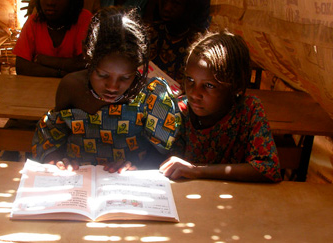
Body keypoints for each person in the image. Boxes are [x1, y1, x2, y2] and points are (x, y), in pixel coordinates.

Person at [32, 6, 181, 172]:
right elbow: (54, 137)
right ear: (88, 56)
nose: (112, 87)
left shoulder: (153, 95)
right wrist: (57, 161)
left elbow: (166, 153)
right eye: (102, 75)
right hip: (78, 181)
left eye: (125, 78)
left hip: (129, 184)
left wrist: (137, 166)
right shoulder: (71, 87)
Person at [159, 31, 282, 182]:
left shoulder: (249, 111)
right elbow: (161, 162)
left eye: (209, 85)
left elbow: (269, 169)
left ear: (236, 86)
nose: (195, 93)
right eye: (190, 79)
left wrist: (198, 171)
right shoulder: (179, 111)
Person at [13, 0, 93, 77]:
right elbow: (21, 67)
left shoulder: (84, 19)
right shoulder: (33, 22)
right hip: (39, 88)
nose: (50, 3)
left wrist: (43, 60)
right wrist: (58, 73)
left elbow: (84, 64)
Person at [147, 0, 211, 84]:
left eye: (176, 3)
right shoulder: (150, 32)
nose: (167, 8)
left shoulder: (197, 47)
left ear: (190, 8)